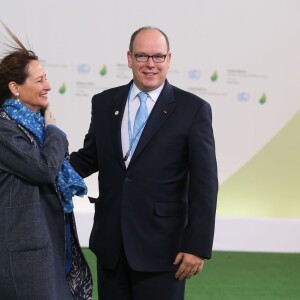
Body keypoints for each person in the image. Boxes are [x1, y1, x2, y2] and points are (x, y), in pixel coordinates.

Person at [70, 26, 218, 300]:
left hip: (164, 250)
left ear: (169, 60)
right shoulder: (104, 102)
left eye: (158, 57)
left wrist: (197, 245)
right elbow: (90, 157)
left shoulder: (193, 109)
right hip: (112, 245)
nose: (150, 64)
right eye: (142, 56)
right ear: (129, 58)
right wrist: (45, 164)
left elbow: (205, 185)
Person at [0, 22, 92, 299]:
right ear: (15, 87)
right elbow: (43, 170)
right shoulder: (5, 129)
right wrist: (54, 131)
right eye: (39, 80)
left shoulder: (34, 127)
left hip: (52, 246)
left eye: (46, 78)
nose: (48, 86)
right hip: (27, 259)